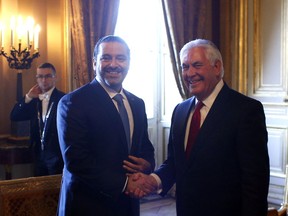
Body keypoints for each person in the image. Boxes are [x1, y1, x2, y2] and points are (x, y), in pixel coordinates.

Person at [128, 39, 270, 216]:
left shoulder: (246, 110)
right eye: (185, 67)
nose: (189, 73)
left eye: (196, 65)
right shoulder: (180, 111)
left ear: (217, 67)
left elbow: (255, 181)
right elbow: (174, 163)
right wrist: (153, 180)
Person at [56, 35, 155, 216]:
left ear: (129, 63)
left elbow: (145, 147)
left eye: (120, 58)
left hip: (128, 206)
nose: (114, 64)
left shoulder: (137, 103)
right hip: (87, 206)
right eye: (106, 58)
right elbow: (76, 160)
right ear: (94, 63)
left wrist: (147, 166)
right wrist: (125, 184)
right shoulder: (73, 102)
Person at [10, 62, 65, 176]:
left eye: (48, 76)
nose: (44, 80)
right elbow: (14, 116)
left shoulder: (63, 99)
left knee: (55, 190)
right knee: (39, 189)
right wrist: (28, 97)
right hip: (38, 155)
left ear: (55, 78)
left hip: (57, 154)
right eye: (40, 76)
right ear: (37, 78)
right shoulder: (33, 100)